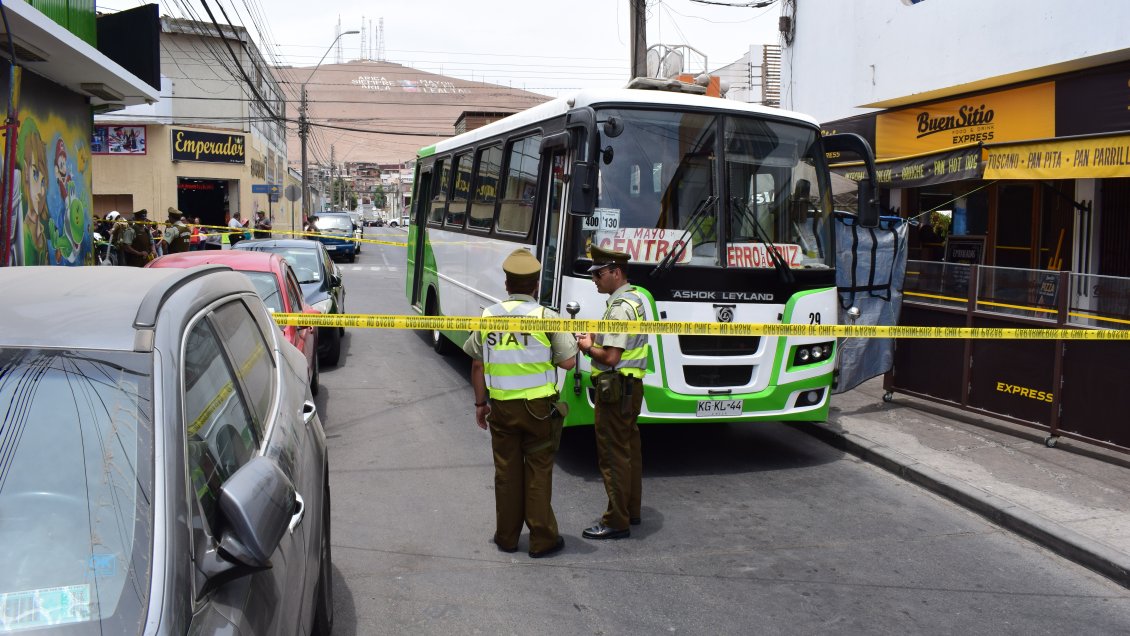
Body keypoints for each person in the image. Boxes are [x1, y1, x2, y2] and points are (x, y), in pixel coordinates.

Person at [463, 248, 577, 559]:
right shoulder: (546, 317)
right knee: (538, 472)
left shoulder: (489, 316)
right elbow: (568, 362)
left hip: (502, 409)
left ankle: (507, 537)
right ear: (536, 285)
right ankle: (542, 540)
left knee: (507, 473)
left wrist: (480, 404)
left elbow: (477, 364)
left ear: (506, 284)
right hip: (539, 411)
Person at [576, 245, 650, 540]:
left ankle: (616, 521)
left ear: (615, 273)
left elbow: (610, 357)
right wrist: (598, 337)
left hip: (616, 390)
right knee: (629, 450)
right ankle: (631, 510)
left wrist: (586, 347)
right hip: (631, 388)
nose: (594, 279)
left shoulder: (619, 308)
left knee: (612, 455)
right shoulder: (635, 299)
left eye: (599, 274)